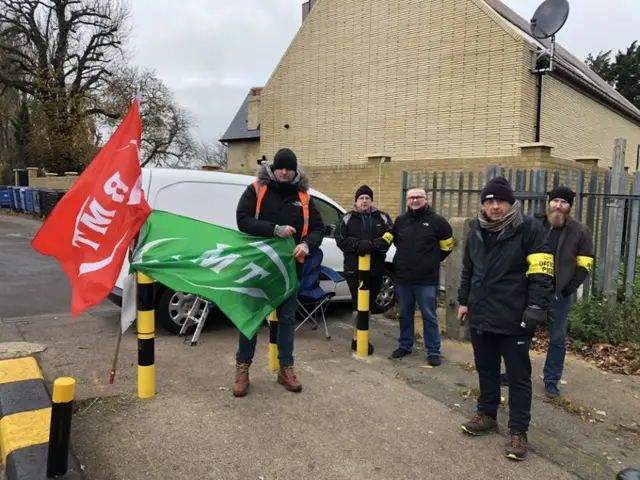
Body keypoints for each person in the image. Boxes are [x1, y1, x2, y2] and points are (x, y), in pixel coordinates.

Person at [457, 177, 554, 461]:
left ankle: (518, 430)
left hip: (514, 317)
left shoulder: (530, 230)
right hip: (482, 313)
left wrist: (536, 308)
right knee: (485, 369)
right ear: (483, 204)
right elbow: (468, 269)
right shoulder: (477, 228)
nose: (495, 206)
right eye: (489, 201)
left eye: (500, 201)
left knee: (518, 377)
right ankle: (487, 414)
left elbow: (542, 273)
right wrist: (464, 301)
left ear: (511, 203)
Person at [233, 147, 325, 396]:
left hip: (289, 271)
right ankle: (243, 369)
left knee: (286, 321)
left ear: (296, 171)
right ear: (273, 169)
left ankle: (286, 369)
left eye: (289, 168)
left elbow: (319, 228)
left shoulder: (304, 197)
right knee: (250, 320)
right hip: (257, 268)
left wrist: (307, 244)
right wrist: (274, 230)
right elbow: (242, 220)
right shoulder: (256, 190)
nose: (284, 172)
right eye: (280, 168)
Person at [501, 186, 593, 397]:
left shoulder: (580, 231)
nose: (558, 206)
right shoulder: (532, 224)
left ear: (570, 207)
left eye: (564, 202)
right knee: (521, 334)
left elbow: (585, 264)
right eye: (555, 201)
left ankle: (551, 380)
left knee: (558, 339)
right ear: (548, 203)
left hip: (558, 295)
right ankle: (514, 373)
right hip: (530, 291)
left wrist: (566, 289)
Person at [390, 187, 453, 365]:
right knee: (404, 314)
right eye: (411, 198)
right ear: (407, 200)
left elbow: (447, 247)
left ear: (425, 199)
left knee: (429, 316)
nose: (415, 200)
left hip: (426, 279)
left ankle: (433, 351)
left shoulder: (438, 222)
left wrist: (431, 261)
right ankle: (405, 345)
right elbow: (396, 241)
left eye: (418, 197)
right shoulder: (400, 221)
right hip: (403, 278)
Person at [335, 185, 394, 354]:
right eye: (361, 198)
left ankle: (363, 334)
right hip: (354, 269)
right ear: (356, 200)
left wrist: (376, 245)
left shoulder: (382, 217)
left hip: (375, 269)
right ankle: (357, 338)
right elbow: (340, 239)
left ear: (371, 200)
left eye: (367, 198)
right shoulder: (347, 218)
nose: (364, 201)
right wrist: (357, 245)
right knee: (357, 303)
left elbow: (390, 235)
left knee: (368, 304)